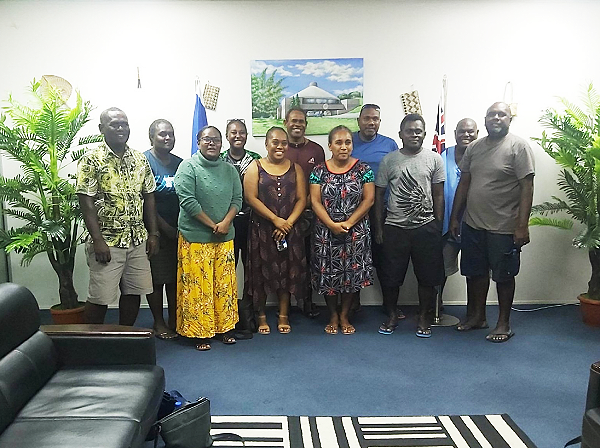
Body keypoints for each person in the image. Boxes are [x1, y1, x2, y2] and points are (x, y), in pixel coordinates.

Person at [450, 102, 534, 342]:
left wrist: (522, 225)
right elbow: (464, 183)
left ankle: (503, 324)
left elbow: (526, 188)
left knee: (504, 276)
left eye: (501, 114)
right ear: (484, 120)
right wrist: (456, 217)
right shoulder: (474, 148)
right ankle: (477, 317)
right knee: (474, 274)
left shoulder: (518, 147)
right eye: (491, 115)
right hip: (474, 224)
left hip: (504, 226)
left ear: (510, 119)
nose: (496, 118)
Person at [77, 107, 158, 325]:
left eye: (125, 124)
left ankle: (125, 337)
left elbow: (149, 196)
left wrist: (153, 234)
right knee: (100, 297)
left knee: (133, 292)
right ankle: (90, 343)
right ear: (102, 128)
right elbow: (86, 201)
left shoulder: (140, 159)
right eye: (115, 124)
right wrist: (97, 240)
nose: (121, 128)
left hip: (137, 239)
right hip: (107, 241)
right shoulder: (91, 160)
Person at [374, 113, 445, 338]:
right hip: (395, 228)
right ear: (400, 134)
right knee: (391, 277)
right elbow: (379, 196)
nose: (414, 134)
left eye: (418, 131)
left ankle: (424, 317)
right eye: (409, 131)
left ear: (424, 134)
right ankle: (392, 315)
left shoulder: (435, 159)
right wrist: (378, 228)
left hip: (426, 228)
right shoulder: (389, 160)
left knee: (427, 277)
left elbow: (439, 195)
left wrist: (438, 224)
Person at [174, 125, 242, 351]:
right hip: (195, 237)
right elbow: (188, 201)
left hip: (224, 237)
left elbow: (237, 200)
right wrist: (213, 225)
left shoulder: (229, 170)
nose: (212, 143)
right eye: (207, 139)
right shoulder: (188, 167)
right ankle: (199, 332)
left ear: (222, 144)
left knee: (223, 286)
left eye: (216, 140)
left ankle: (224, 328)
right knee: (198, 287)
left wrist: (225, 224)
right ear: (198, 142)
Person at [310, 125, 375, 335]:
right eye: (338, 142)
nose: (343, 147)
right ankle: (333, 315)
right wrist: (331, 224)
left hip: (355, 232)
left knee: (350, 275)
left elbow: (369, 200)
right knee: (328, 275)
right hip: (326, 232)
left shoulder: (364, 169)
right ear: (330, 146)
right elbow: (315, 201)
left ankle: (345, 315)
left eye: (347, 142)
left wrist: (348, 223)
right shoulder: (318, 171)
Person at [244, 126, 307, 334]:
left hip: (290, 230)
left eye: (284, 143)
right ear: (267, 144)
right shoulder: (255, 167)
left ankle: (283, 315)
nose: (280, 146)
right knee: (260, 274)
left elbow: (301, 199)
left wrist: (287, 223)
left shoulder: (296, 168)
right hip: (262, 230)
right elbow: (250, 198)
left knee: (287, 273)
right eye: (275, 142)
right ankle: (261, 316)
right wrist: (275, 220)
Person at [351, 104, 399, 313]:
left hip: (384, 210)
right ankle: (352, 305)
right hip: (352, 211)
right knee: (353, 258)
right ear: (359, 121)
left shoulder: (390, 145)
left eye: (376, 119)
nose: (371, 122)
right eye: (367, 118)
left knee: (385, 259)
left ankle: (390, 306)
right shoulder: (348, 141)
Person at [220, 118, 261, 333]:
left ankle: (247, 312)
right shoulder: (217, 159)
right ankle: (227, 313)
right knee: (227, 267)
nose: (238, 136)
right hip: (227, 222)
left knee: (252, 268)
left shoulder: (256, 160)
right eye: (233, 132)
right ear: (227, 136)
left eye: (242, 132)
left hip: (252, 221)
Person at [284, 107, 325, 318]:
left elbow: (320, 181)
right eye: (293, 121)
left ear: (306, 124)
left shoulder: (316, 150)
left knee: (308, 259)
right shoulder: (280, 148)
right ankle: (285, 304)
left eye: (301, 121)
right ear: (286, 123)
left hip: (310, 213)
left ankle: (307, 301)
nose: (297, 124)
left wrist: (306, 203)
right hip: (284, 216)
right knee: (286, 259)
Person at [143, 119, 182, 340]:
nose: (167, 138)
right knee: (157, 278)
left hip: (180, 230)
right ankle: (158, 322)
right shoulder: (144, 161)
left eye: (171, 134)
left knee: (176, 278)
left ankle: (175, 319)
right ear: (152, 137)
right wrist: (161, 228)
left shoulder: (181, 163)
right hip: (154, 230)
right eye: (162, 134)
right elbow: (145, 200)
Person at [439, 119, 478, 304]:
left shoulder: (481, 155)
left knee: (475, 271)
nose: (466, 135)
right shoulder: (443, 155)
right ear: (455, 133)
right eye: (462, 131)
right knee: (440, 269)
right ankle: (435, 307)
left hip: (474, 224)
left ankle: (474, 312)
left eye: (470, 131)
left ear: (477, 133)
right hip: (447, 224)